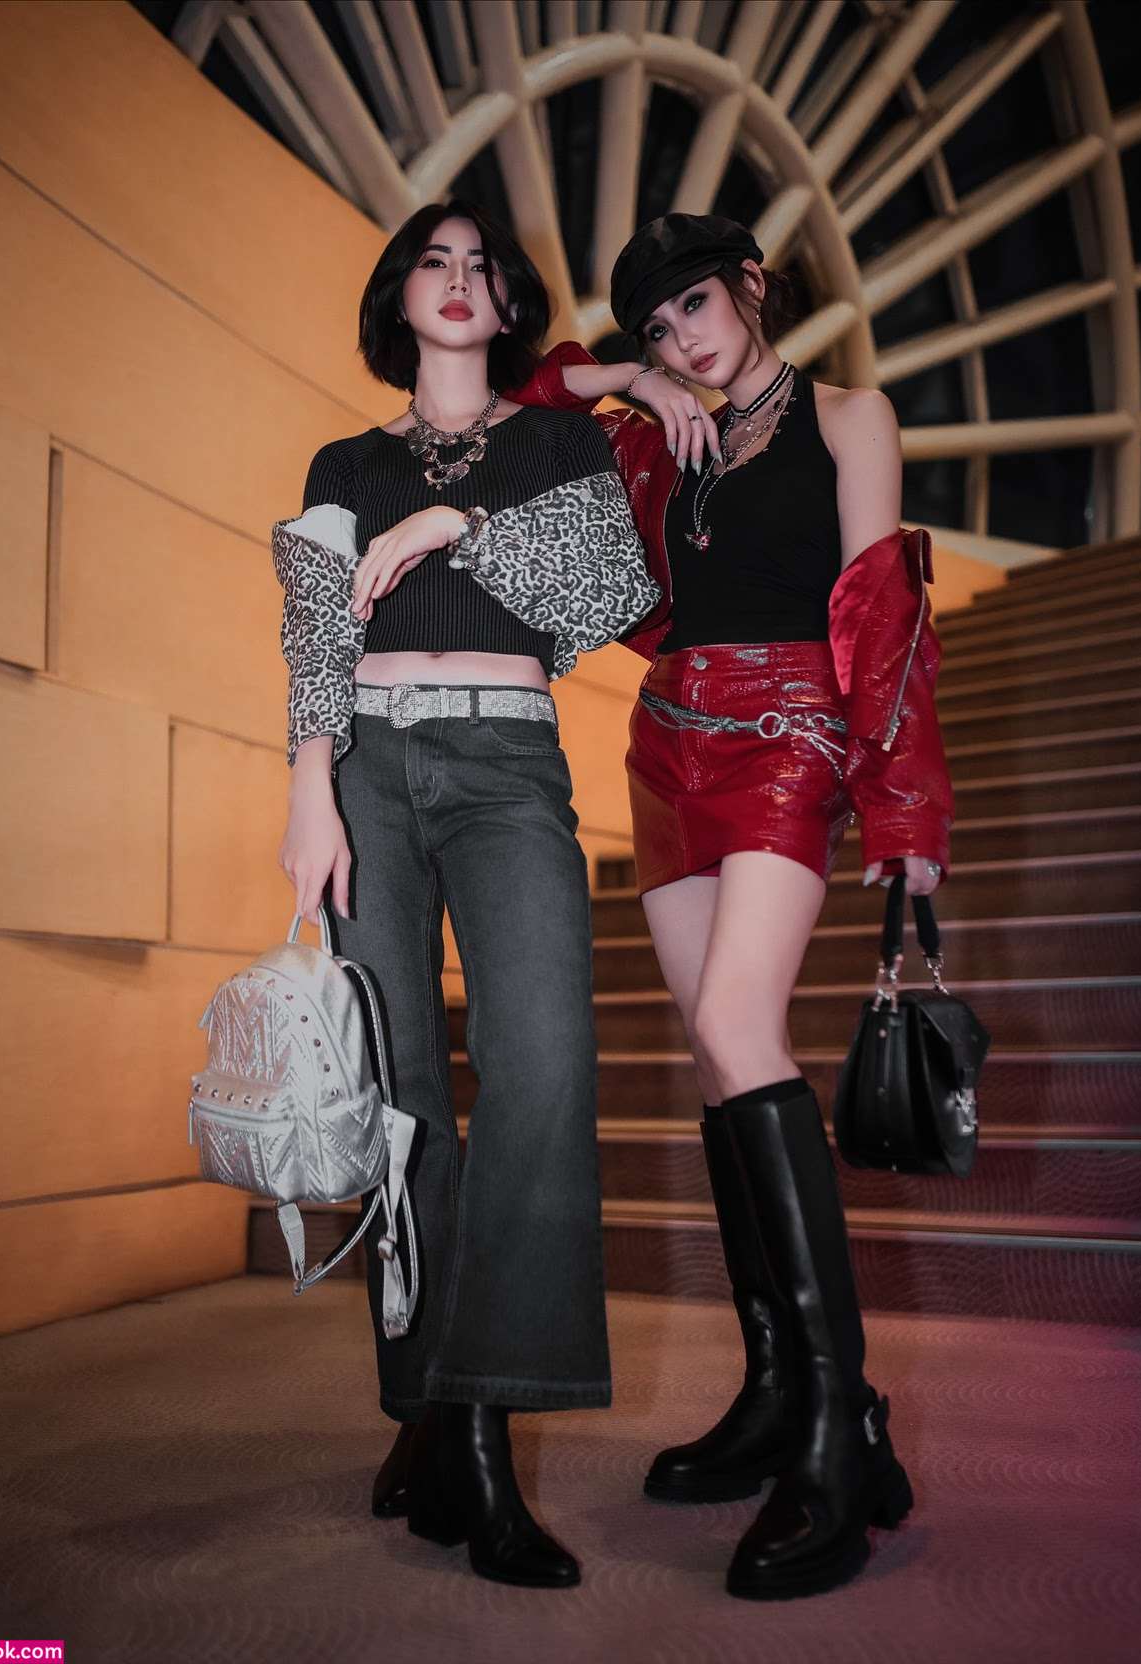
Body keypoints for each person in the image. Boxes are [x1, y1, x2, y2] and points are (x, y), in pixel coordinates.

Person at [508, 212, 953, 1600]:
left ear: (751, 285)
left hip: (789, 732)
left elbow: (880, 613)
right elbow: (526, 391)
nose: (683, 339)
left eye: (693, 307)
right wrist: (634, 382)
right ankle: (775, 1392)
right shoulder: (658, 433)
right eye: (658, 326)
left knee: (736, 1027)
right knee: (712, 1059)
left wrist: (904, 813)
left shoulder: (849, 416)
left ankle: (837, 1424)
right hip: (666, 743)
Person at [271, 199, 658, 1590]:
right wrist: (309, 786)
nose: (455, 280)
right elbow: (315, 630)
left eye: (478, 267)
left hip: (507, 764)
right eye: (431, 262)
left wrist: (454, 521)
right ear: (401, 295)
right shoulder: (343, 461)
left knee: (542, 1066)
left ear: (507, 305)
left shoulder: (559, 444)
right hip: (366, 770)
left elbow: (606, 589)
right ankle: (431, 1411)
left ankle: (482, 1424)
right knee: (398, 1100)